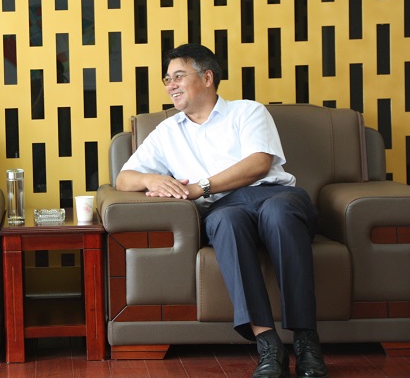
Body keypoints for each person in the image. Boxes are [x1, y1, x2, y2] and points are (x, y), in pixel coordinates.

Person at [116, 43, 328, 378]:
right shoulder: (167, 132)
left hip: (275, 196)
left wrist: (201, 186)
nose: (170, 85)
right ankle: (268, 347)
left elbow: (259, 164)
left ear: (207, 77)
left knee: (279, 215)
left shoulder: (247, 112)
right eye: (167, 79)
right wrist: (152, 178)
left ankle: (306, 344)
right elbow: (123, 178)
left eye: (178, 76)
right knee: (227, 222)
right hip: (225, 208)